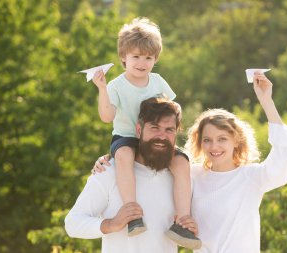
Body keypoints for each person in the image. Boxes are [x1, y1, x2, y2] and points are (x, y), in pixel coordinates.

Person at [91, 17, 198, 246]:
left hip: (154, 136)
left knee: (181, 162)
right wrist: (102, 88)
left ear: (155, 59)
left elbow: (173, 107)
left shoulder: (157, 81)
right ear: (124, 57)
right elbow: (107, 116)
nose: (142, 62)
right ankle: (133, 214)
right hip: (127, 137)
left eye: (148, 58)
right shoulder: (117, 85)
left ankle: (182, 221)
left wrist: (173, 113)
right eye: (136, 57)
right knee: (124, 156)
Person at [179, 72, 287, 252]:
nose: (214, 146)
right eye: (207, 140)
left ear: (236, 141)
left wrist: (267, 102)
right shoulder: (193, 175)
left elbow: (285, 158)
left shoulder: (251, 177)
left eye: (222, 139)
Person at [65, 97, 202, 252]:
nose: (162, 136)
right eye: (154, 128)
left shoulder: (182, 178)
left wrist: (190, 225)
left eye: (169, 130)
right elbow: (73, 223)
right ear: (139, 130)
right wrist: (111, 224)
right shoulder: (109, 171)